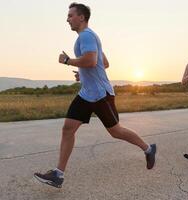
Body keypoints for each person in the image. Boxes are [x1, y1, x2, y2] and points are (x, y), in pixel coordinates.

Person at [34, 3, 156, 188]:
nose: (67, 19)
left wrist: (67, 61)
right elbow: (103, 63)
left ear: (81, 17)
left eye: (70, 15)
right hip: (87, 93)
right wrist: (82, 74)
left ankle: (148, 149)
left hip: (100, 95)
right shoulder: (88, 37)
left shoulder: (86, 36)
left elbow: (91, 61)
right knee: (68, 129)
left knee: (116, 131)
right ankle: (58, 174)